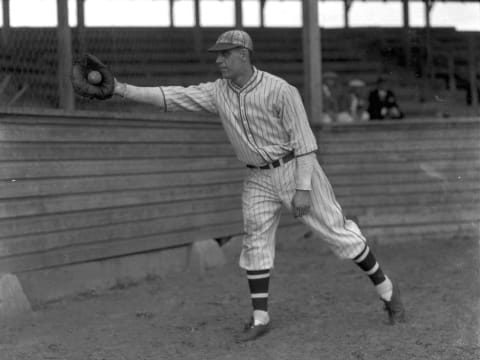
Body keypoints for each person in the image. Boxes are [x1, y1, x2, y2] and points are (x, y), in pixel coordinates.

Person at [75, 30, 406, 342]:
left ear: (244, 55)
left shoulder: (280, 90)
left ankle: (388, 291)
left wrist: (303, 188)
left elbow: (305, 144)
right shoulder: (218, 91)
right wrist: (120, 88)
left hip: (294, 168)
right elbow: (172, 97)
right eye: (217, 55)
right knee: (256, 241)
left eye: (225, 54)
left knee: (338, 234)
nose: (218, 60)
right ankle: (260, 318)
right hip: (258, 177)